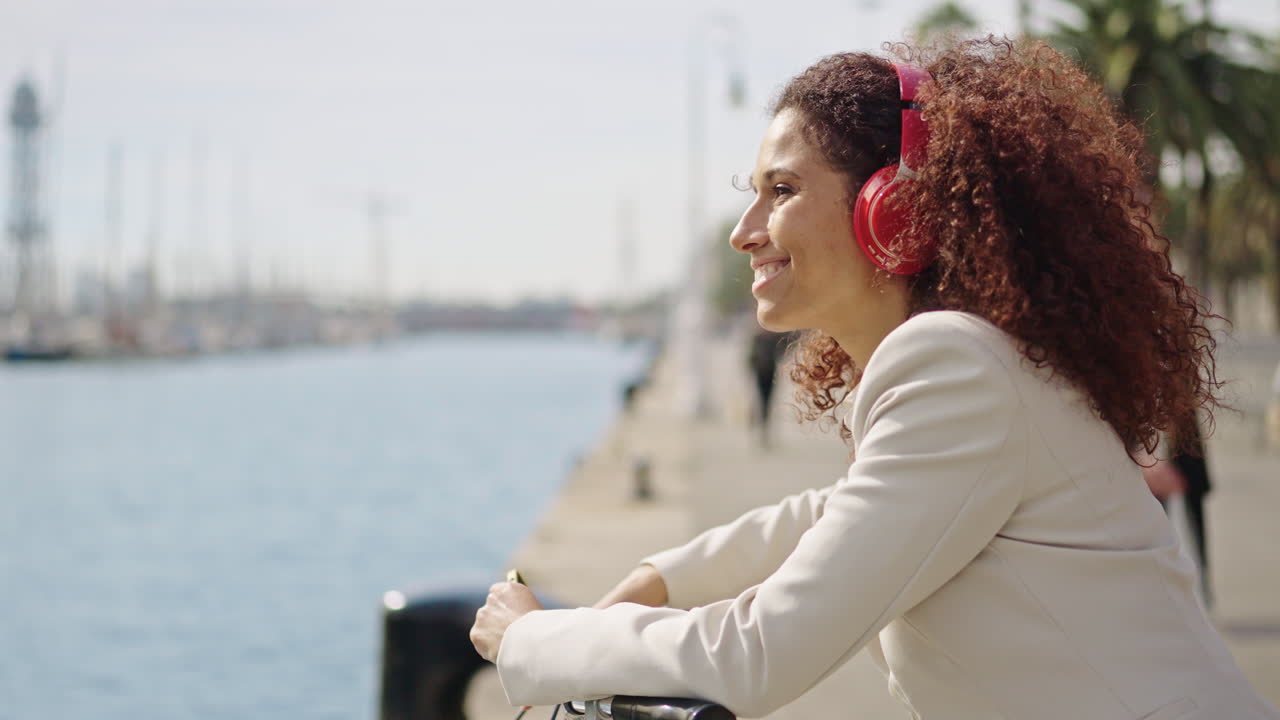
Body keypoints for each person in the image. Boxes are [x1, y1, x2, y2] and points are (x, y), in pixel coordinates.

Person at [472, 38, 1279, 719]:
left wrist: (533, 638)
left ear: (892, 207)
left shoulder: (958, 366)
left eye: (780, 192)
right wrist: (666, 576)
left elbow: (762, 653)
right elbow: (835, 513)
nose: (743, 233)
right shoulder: (970, 362)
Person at [746, 328, 792, 448]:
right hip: (760, 373)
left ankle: (764, 427)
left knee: (768, 401)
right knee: (761, 401)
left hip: (771, 373)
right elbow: (750, 357)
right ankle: (761, 425)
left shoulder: (774, 338)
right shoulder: (758, 338)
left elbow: (784, 350)